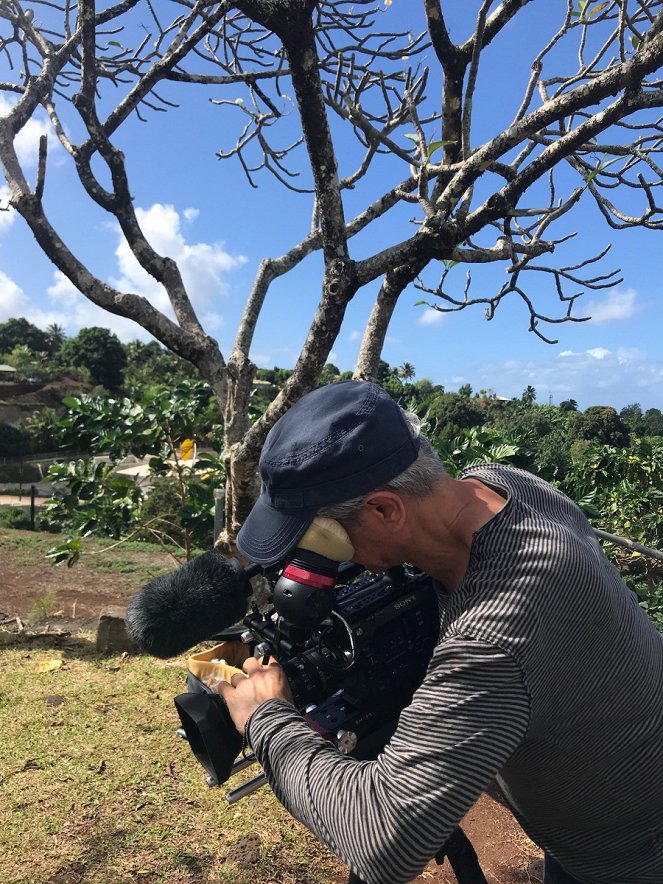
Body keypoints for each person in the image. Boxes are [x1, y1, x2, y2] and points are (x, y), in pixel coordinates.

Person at [209, 380, 663, 884]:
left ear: (385, 509)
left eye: (320, 541)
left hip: (629, 861)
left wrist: (268, 718)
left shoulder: (493, 638)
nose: (315, 562)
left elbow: (384, 842)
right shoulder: (504, 484)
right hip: (602, 808)